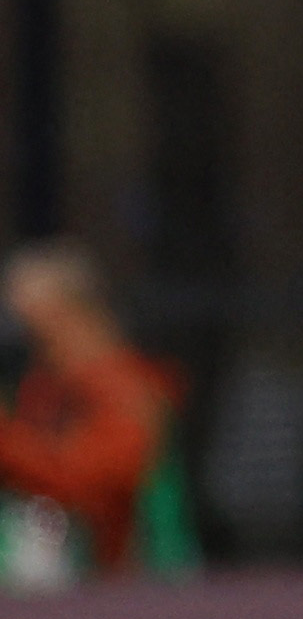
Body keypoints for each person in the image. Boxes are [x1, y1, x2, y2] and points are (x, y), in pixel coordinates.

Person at [0, 242, 174, 576]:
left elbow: (90, 483)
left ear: (70, 312)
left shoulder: (117, 384)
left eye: (34, 320)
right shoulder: (44, 383)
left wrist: (9, 445)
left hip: (112, 578)